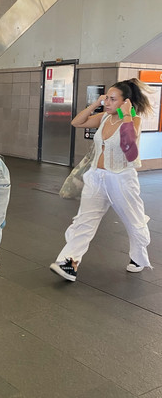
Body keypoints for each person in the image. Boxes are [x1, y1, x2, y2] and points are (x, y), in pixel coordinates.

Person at [50, 78, 153, 282]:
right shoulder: (104, 117)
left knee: (133, 221)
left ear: (126, 102)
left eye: (113, 99)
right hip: (96, 177)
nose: (108, 102)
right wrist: (96, 104)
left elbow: (129, 149)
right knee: (85, 220)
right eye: (107, 98)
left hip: (122, 179)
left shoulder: (133, 121)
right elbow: (76, 122)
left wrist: (126, 115)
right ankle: (69, 263)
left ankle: (138, 257)